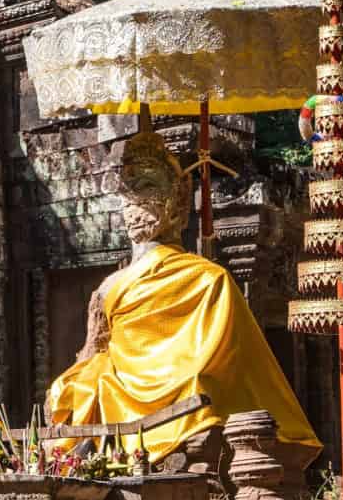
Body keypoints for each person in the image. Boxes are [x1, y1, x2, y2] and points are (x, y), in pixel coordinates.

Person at [47, 125, 320, 473]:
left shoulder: (208, 279)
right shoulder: (107, 288)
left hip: (186, 401)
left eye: (148, 188)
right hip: (115, 391)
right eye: (127, 192)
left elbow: (224, 364)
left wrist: (190, 377)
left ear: (177, 201)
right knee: (77, 385)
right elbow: (93, 352)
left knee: (195, 386)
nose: (136, 203)